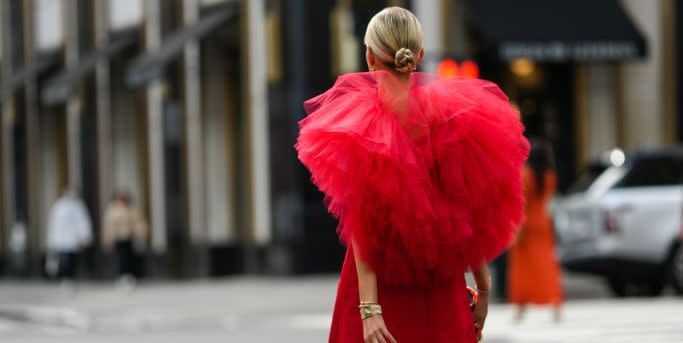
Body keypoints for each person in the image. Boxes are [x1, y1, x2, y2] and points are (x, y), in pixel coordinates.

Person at [295, 7, 529, 343]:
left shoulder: (361, 125)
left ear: (370, 58)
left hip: (380, 287)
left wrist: (370, 310)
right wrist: (483, 287)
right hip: (441, 282)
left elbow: (364, 228)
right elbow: (467, 211)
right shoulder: (454, 118)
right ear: (419, 55)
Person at [507, 139, 564, 322]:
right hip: (543, 223)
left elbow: (522, 203)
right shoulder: (550, 176)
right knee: (546, 263)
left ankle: (521, 307)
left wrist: (517, 229)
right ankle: (555, 301)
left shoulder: (525, 174)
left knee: (522, 268)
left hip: (527, 224)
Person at [46, 187, 93, 281]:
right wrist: (51, 239)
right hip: (61, 240)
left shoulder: (78, 206)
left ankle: (71, 276)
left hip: (73, 239)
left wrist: (85, 236)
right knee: (63, 260)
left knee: (72, 259)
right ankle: (65, 277)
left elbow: (83, 222)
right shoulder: (58, 207)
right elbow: (53, 224)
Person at [102, 191, 148, 284]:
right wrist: (108, 237)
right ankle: (121, 275)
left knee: (130, 257)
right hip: (119, 237)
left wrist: (141, 234)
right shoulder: (113, 210)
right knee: (121, 257)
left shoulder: (132, 209)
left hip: (130, 236)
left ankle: (130, 274)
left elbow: (138, 222)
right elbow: (109, 225)